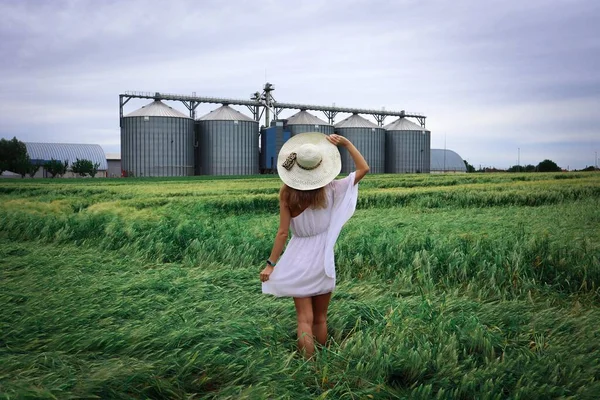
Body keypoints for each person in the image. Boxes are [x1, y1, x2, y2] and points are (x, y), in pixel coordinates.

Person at [260, 132, 369, 358]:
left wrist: (271, 264)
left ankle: (307, 367)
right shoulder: (332, 189)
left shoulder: (286, 194)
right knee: (320, 318)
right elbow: (363, 169)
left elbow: (282, 233)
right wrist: (347, 143)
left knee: (304, 320)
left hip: (297, 258)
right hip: (322, 259)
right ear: (321, 167)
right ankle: (322, 365)